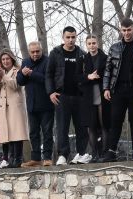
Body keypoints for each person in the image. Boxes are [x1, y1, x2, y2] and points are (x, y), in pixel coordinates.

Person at [100, 18, 133, 162]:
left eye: (129, 30)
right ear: (120, 31)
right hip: (117, 89)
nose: (126, 33)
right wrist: (106, 87)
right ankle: (111, 151)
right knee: (115, 120)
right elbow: (107, 69)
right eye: (123, 30)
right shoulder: (114, 47)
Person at [46, 27, 87, 166]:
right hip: (61, 95)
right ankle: (63, 155)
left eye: (73, 37)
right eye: (68, 37)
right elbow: (49, 74)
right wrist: (51, 92)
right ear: (63, 37)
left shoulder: (81, 54)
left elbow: (85, 75)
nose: (71, 40)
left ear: (76, 37)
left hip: (79, 96)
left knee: (81, 127)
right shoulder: (55, 53)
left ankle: (82, 154)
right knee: (62, 127)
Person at [16, 41, 54, 167]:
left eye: (37, 51)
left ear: (41, 50)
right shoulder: (25, 62)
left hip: (46, 104)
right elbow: (20, 81)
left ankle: (47, 157)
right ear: (29, 52)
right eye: (33, 52)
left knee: (47, 132)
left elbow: (47, 79)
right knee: (33, 133)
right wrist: (22, 73)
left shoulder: (48, 61)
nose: (35, 54)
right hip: (31, 104)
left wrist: (32, 74)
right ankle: (36, 158)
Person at [0, 50, 28, 168]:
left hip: (14, 106)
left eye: (7, 59)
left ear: (12, 59)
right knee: (8, 135)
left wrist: (4, 77)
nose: (5, 61)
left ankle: (17, 159)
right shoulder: (2, 73)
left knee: (16, 133)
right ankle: (11, 158)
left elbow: (15, 85)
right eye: (3, 59)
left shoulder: (17, 71)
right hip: (4, 107)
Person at [78, 35, 109, 164]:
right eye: (89, 43)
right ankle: (94, 154)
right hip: (88, 96)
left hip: (103, 94)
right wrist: (88, 77)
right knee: (91, 126)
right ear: (86, 45)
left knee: (104, 125)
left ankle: (105, 153)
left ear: (98, 43)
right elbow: (77, 78)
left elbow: (109, 73)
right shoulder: (83, 60)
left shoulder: (106, 58)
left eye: (94, 43)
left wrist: (98, 76)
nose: (92, 45)